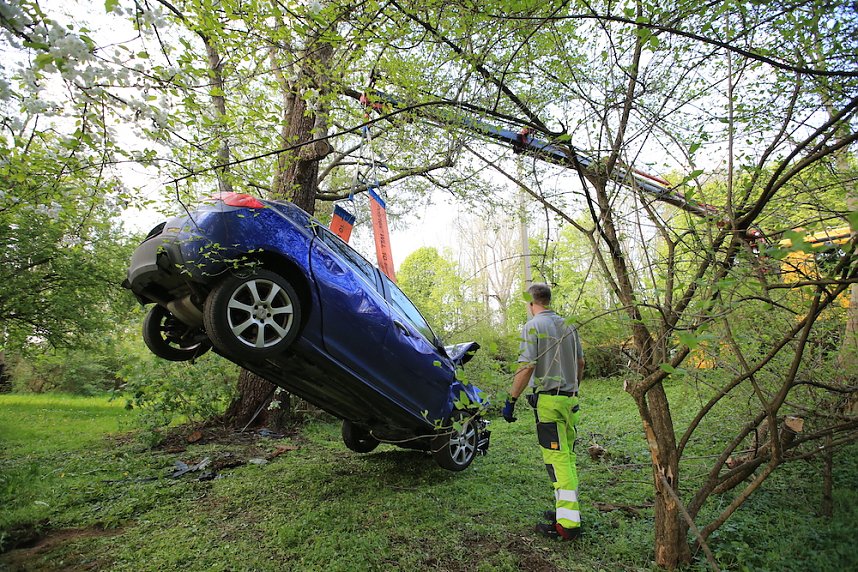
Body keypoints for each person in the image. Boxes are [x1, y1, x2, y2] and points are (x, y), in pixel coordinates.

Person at [502, 282, 585, 541]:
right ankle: (565, 512)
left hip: (549, 403)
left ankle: (568, 526)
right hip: (570, 402)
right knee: (567, 458)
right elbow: (580, 363)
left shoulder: (533, 326)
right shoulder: (568, 324)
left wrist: (511, 399)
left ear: (531, 302)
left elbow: (526, 367)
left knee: (558, 462)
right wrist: (573, 389)